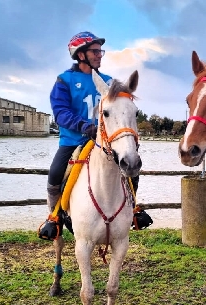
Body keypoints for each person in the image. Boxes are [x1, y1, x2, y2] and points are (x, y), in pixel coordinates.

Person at [39, 31, 144, 240]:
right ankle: (55, 217)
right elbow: (60, 112)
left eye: (100, 51)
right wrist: (84, 126)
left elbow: (121, 109)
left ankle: (132, 209)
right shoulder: (64, 80)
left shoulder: (109, 82)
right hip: (73, 140)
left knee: (132, 165)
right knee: (55, 174)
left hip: (105, 143)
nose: (99, 55)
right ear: (80, 55)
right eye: (95, 51)